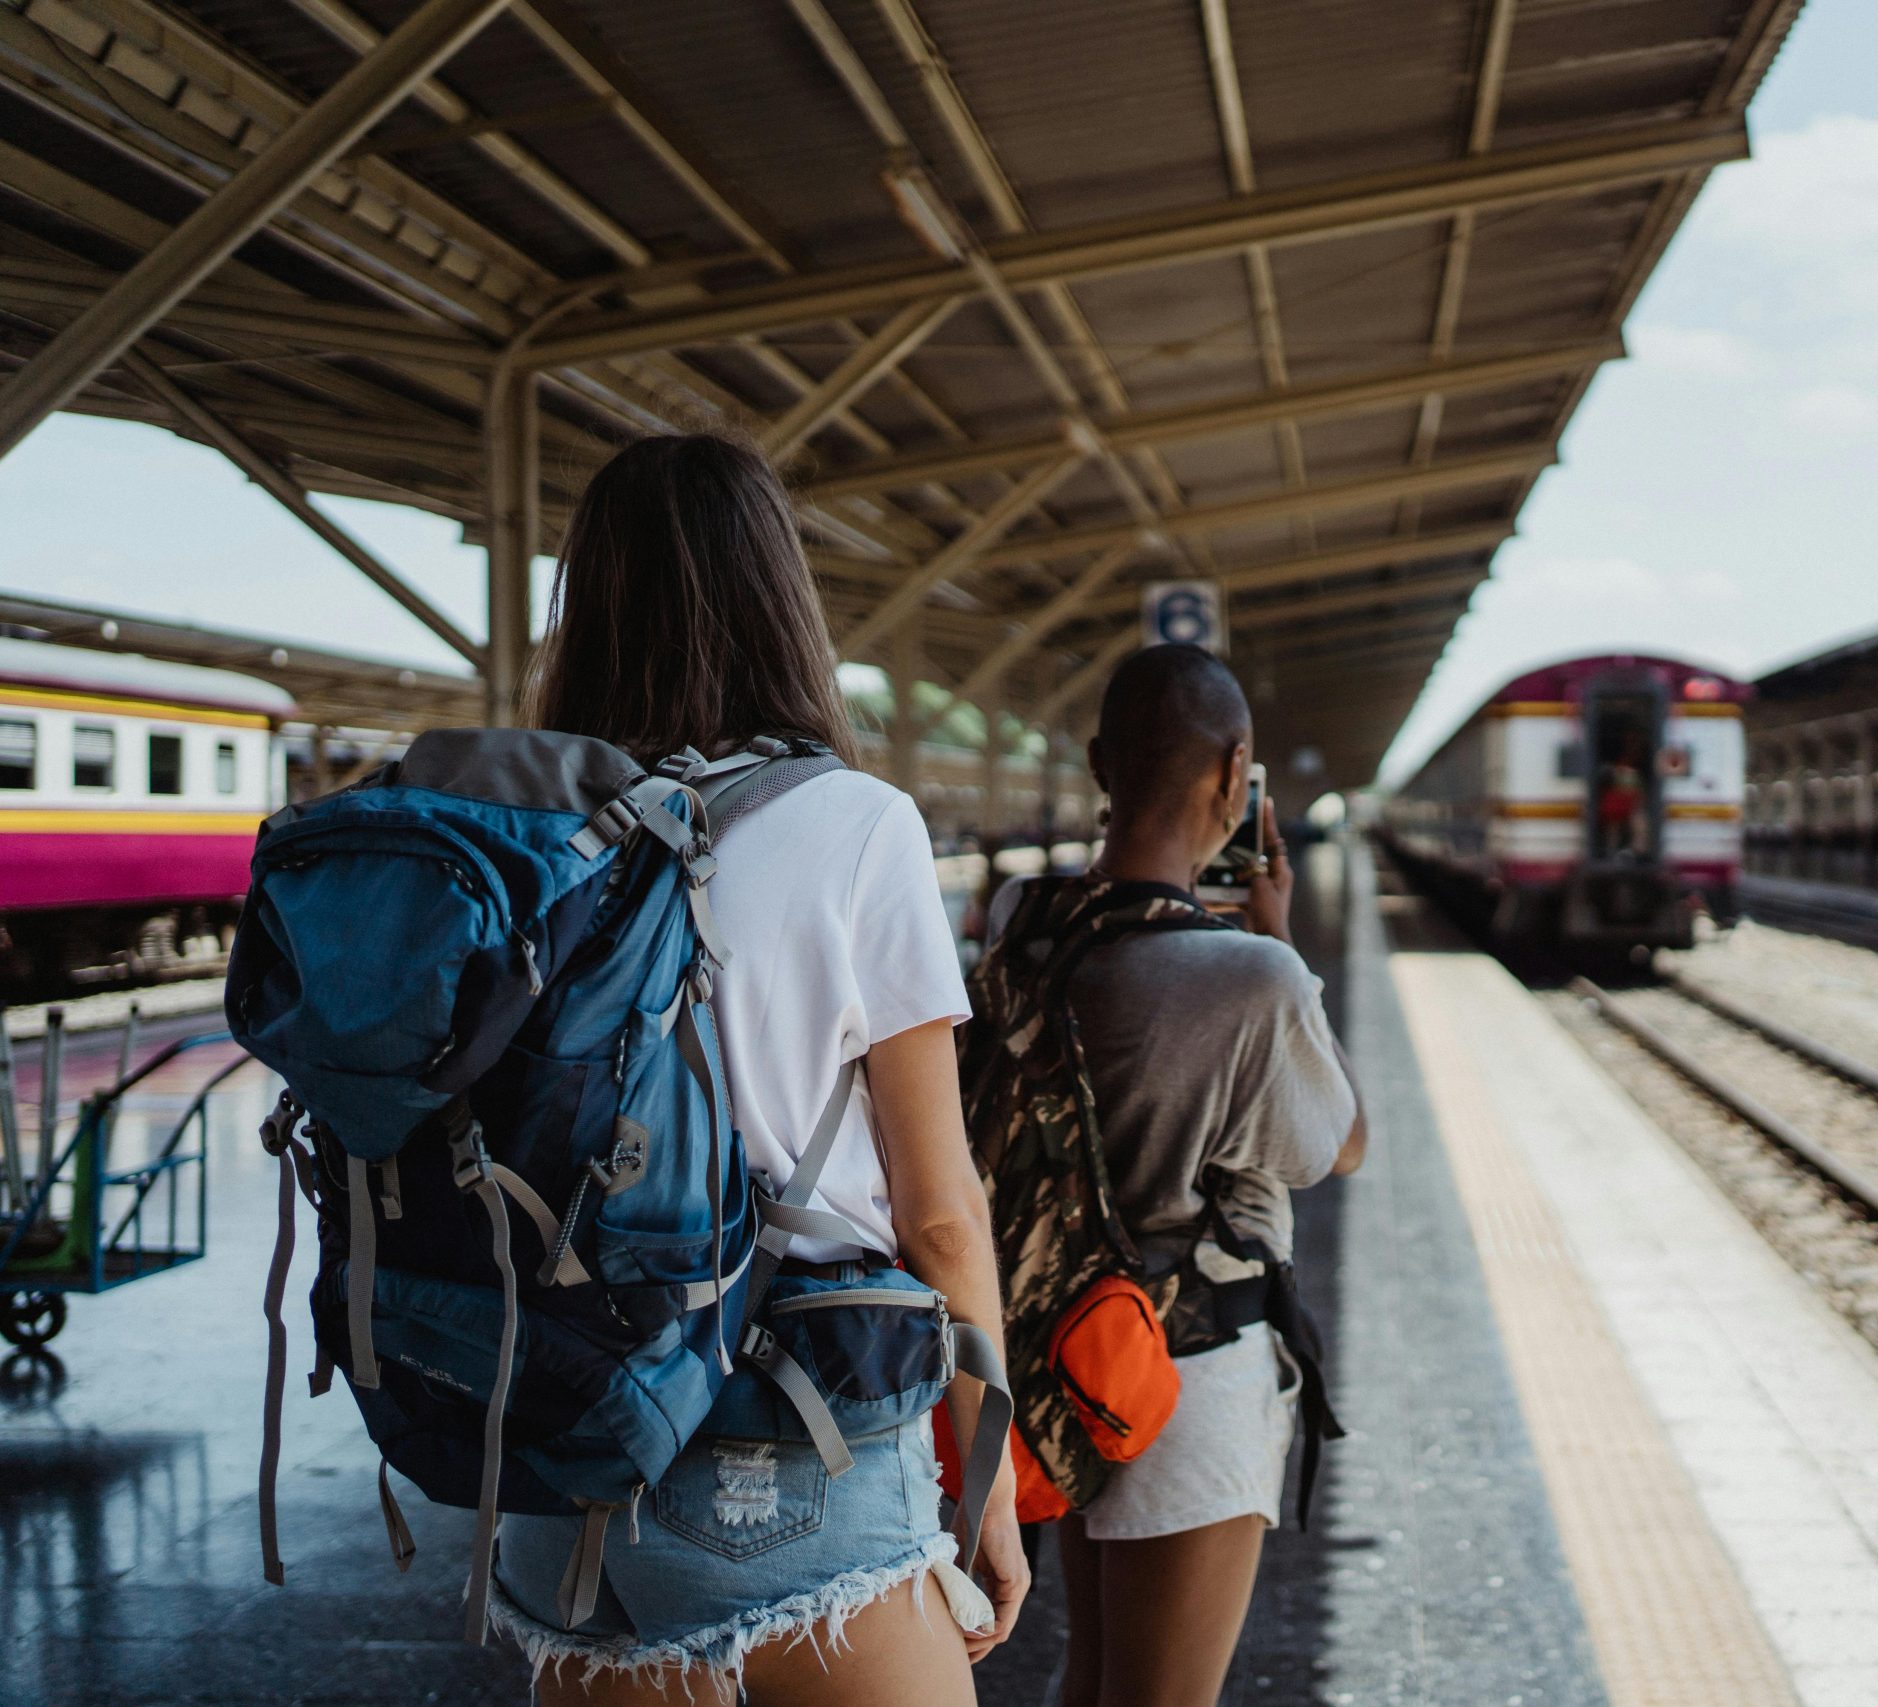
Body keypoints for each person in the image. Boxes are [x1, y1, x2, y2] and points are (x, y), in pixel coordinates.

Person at [490, 434, 1029, 1705]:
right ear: (780, 601)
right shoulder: (856, 826)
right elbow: (941, 1213)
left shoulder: (519, 833)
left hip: (559, 1453)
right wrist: (990, 1483)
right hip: (790, 1448)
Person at [978, 644, 1365, 1707]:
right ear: (1235, 774)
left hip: (1055, 1350)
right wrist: (1283, 942)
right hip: (1187, 1367)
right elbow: (1338, 1144)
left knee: (1088, 1676)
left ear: (1101, 763)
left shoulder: (1022, 924)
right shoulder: (1252, 975)